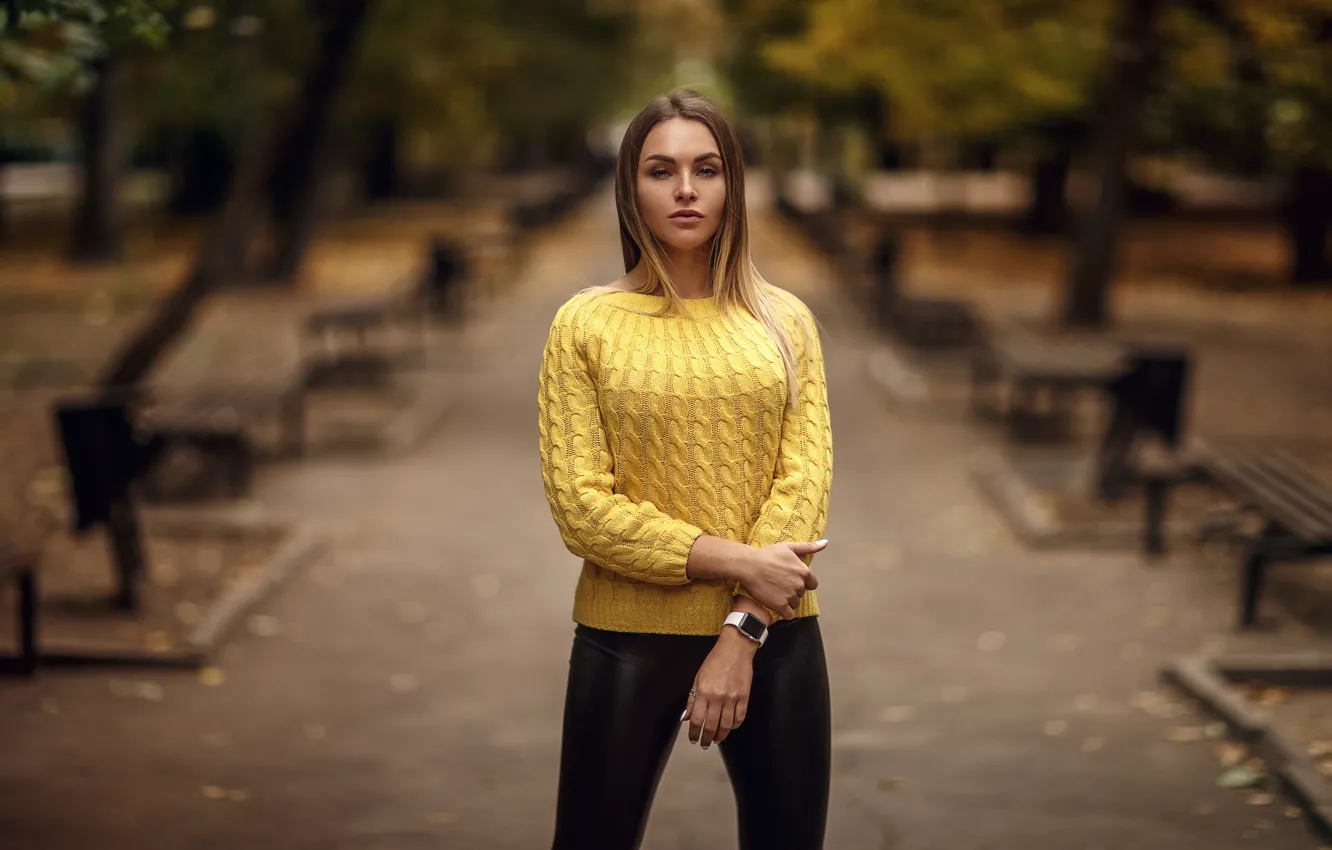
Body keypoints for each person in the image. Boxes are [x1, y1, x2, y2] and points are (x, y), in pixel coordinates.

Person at [537, 88, 834, 850]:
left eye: (706, 169)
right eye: (660, 170)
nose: (685, 190)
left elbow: (803, 483)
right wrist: (739, 562)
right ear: (630, 189)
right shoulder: (586, 325)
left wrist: (743, 631)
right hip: (625, 636)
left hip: (775, 636)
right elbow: (581, 507)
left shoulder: (785, 321)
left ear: (732, 183)